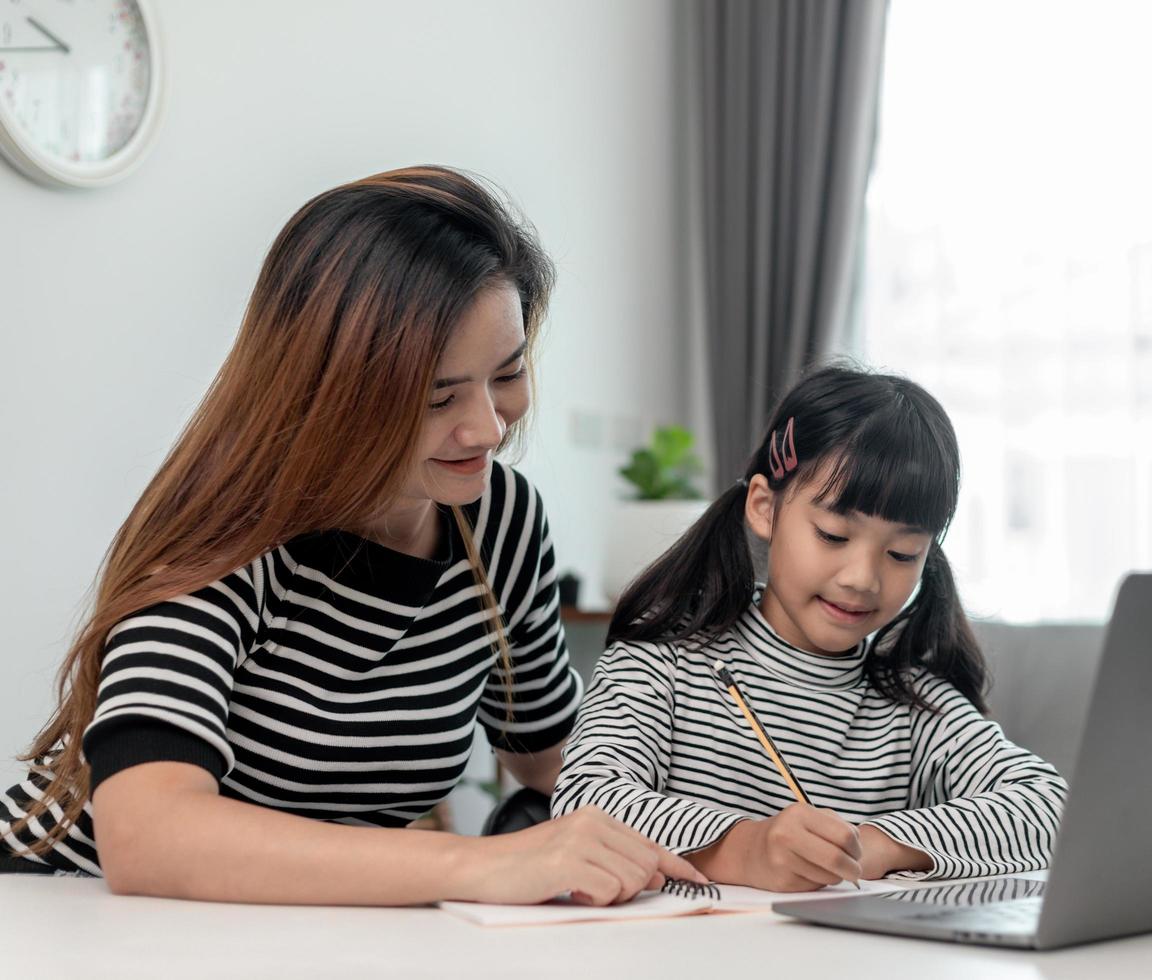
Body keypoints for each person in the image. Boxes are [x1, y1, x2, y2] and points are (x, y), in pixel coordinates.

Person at [1, 166, 704, 906]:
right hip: (57, 911)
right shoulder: (225, 538)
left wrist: (734, 833)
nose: (488, 428)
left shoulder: (499, 520)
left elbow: (557, 759)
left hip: (281, 933)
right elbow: (147, 837)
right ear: (334, 390)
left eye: (508, 372)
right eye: (438, 396)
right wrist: (476, 864)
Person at [552, 365, 1068, 890]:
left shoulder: (912, 700)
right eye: (833, 535)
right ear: (764, 507)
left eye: (901, 553)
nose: (863, 578)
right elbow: (584, 802)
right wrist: (742, 850)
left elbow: (1051, 809)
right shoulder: (664, 658)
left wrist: (876, 844)